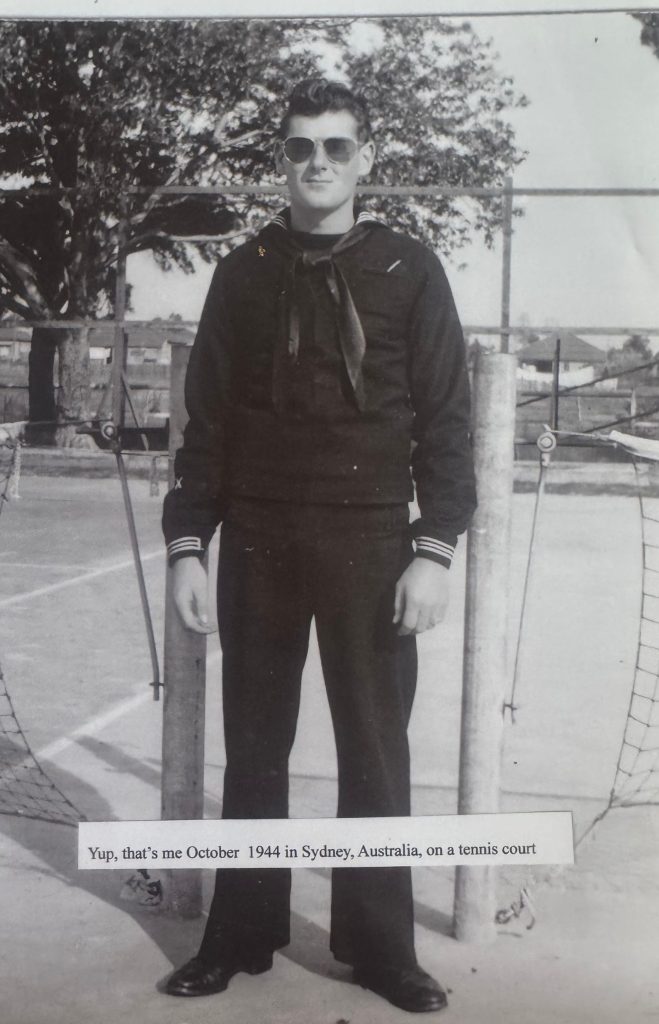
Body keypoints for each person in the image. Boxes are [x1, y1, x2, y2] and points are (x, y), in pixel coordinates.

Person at [161, 77, 476, 1014]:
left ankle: (381, 950)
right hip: (258, 535)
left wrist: (435, 548)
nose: (317, 164)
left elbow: (446, 422)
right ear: (280, 160)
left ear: (365, 159)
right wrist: (188, 542)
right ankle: (240, 934)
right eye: (300, 147)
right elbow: (208, 420)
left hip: (373, 539)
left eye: (336, 147)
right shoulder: (243, 270)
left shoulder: (410, 269)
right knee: (254, 746)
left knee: (374, 751)